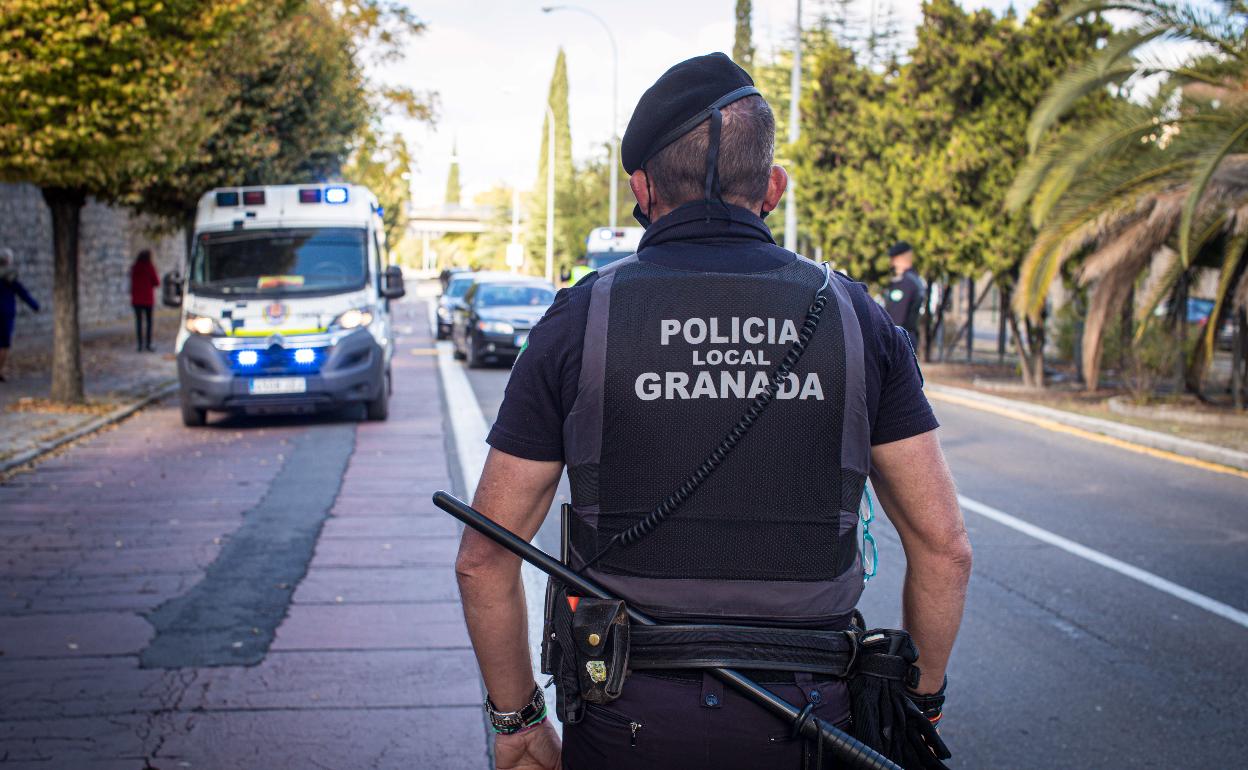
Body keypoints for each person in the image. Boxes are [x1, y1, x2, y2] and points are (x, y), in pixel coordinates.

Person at [454, 53, 972, 770]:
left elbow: (484, 559)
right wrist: (920, 706)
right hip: (815, 725)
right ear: (773, 187)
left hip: (626, 720)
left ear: (641, 187)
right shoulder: (859, 318)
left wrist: (517, 724)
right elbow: (945, 548)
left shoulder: (582, 317)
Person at [0, 247, 40, 382]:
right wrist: (35, 306)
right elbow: (23, 293)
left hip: (5, 313)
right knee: (4, 344)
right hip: (6, 314)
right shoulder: (10, 277)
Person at [884, 241, 926, 350]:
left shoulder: (904, 283)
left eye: (893, 259)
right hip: (909, 338)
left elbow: (896, 318)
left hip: (900, 341)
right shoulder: (915, 280)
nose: (892, 263)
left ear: (899, 259)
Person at [130, 250, 160, 352]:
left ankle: (140, 345)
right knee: (149, 322)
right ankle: (148, 344)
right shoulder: (149, 267)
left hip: (137, 300)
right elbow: (156, 282)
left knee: (139, 322)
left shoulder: (135, 267)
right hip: (147, 299)